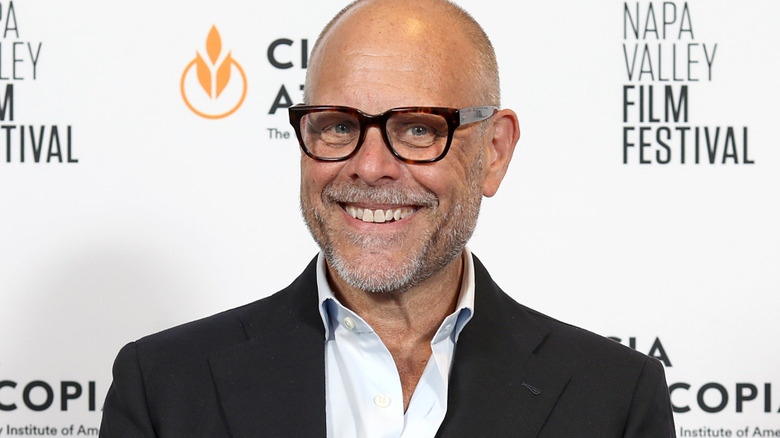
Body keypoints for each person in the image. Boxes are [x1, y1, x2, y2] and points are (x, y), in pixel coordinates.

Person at [99, 0, 676, 436]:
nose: (370, 167)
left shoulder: (614, 398)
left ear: (494, 152)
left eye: (419, 129)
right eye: (339, 126)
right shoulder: (164, 386)